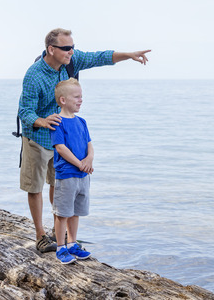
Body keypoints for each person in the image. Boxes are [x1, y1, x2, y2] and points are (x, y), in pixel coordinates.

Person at [18, 28, 150, 253]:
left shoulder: (72, 60)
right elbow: (25, 111)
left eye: (73, 47)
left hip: (63, 137)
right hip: (38, 137)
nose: (71, 52)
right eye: (66, 48)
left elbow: (100, 57)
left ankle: (58, 232)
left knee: (58, 184)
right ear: (51, 49)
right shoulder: (34, 75)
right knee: (35, 186)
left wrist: (128, 55)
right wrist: (42, 120)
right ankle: (40, 235)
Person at [50, 78, 92, 264]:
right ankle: (61, 247)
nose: (80, 100)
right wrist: (78, 163)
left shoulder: (81, 121)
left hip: (83, 176)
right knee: (62, 213)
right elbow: (60, 148)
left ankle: (73, 244)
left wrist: (89, 159)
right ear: (63, 100)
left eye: (81, 96)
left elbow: (90, 145)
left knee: (75, 212)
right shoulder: (58, 121)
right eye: (76, 96)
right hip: (67, 175)